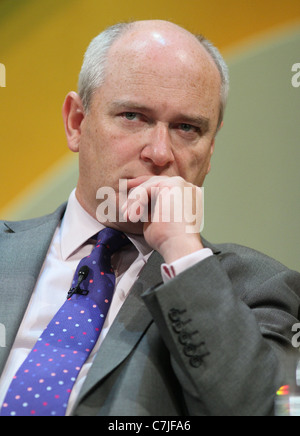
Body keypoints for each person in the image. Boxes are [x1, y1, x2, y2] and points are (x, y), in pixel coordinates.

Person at [0, 19, 299, 417]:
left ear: (209, 153)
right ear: (76, 122)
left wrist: (181, 251)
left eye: (186, 127)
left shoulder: (260, 288)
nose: (159, 153)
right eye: (133, 116)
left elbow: (267, 408)